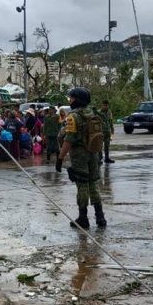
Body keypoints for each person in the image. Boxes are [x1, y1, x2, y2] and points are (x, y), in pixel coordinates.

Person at [57, 88, 107, 229]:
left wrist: (60, 158)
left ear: (77, 99)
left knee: (82, 186)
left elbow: (68, 140)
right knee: (93, 185)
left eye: (71, 98)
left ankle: (83, 218)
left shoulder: (73, 116)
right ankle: (100, 217)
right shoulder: (93, 112)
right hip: (94, 153)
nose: (70, 101)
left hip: (80, 156)